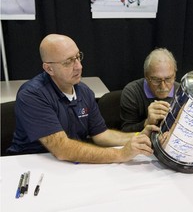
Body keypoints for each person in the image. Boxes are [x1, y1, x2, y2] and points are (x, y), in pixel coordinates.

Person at [6, 34, 159, 163]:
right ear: (48, 68)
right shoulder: (33, 95)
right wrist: (120, 154)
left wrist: (139, 136)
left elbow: (101, 135)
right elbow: (62, 149)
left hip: (67, 163)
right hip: (31, 163)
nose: (78, 66)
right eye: (68, 62)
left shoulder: (84, 92)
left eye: (78, 57)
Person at [120, 48, 180, 132]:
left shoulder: (182, 93)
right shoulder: (132, 92)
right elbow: (125, 131)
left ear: (175, 75)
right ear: (146, 77)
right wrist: (146, 122)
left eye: (168, 78)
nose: (163, 86)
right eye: (156, 80)